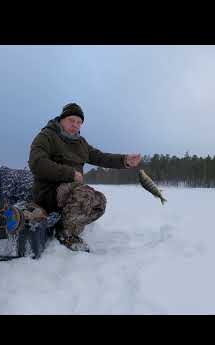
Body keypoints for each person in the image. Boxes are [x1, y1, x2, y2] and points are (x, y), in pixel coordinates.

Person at [28, 103, 141, 252]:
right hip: (48, 191)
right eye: (71, 120)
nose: (75, 125)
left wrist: (124, 160)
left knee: (99, 202)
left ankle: (64, 225)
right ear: (62, 119)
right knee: (86, 196)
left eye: (79, 122)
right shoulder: (47, 136)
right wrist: (70, 174)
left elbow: (100, 157)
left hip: (72, 191)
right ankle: (66, 235)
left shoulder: (80, 143)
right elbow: (37, 163)